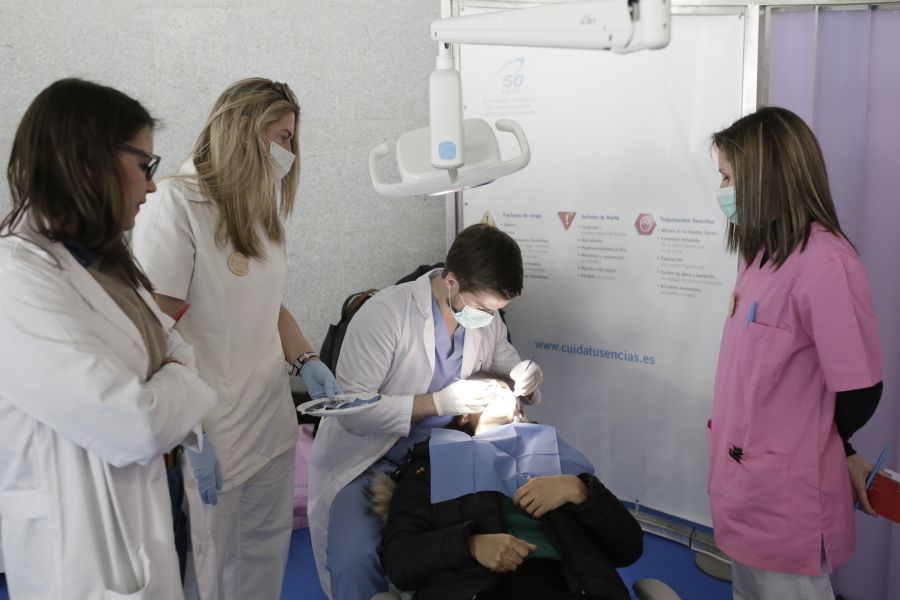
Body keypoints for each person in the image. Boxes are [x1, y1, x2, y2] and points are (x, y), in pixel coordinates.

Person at [0, 78, 217, 599]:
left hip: (155, 510)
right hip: (84, 550)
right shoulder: (15, 277)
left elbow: (182, 358)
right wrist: (178, 389)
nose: (151, 186)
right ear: (89, 158)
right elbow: (131, 424)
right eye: (145, 165)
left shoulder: (106, 263)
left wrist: (171, 386)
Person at [132, 77, 339, 600]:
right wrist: (187, 433)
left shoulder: (259, 209)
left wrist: (306, 359)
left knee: (262, 569)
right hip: (211, 432)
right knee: (208, 575)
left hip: (269, 421)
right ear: (244, 126)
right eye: (283, 136)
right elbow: (155, 331)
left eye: (292, 140)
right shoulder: (177, 203)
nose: (288, 151)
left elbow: (269, 304)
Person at [309, 223, 546, 599]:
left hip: (444, 458)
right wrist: (438, 403)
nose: (489, 318)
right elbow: (352, 411)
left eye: (498, 310)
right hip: (371, 459)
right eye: (485, 308)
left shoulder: (486, 318)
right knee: (354, 560)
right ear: (451, 282)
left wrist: (525, 379)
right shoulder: (385, 315)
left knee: (469, 553)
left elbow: (508, 364)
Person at [708, 106, 884, 599]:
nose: (721, 190)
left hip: (786, 497)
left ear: (766, 179)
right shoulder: (761, 254)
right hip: (745, 485)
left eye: (727, 177)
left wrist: (830, 446)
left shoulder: (826, 263)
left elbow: (861, 388)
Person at [372, 377, 644, 600]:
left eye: (505, 390)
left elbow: (629, 547)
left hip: (571, 585)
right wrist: (470, 545)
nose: (500, 392)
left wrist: (581, 491)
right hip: (472, 588)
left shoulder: (558, 459)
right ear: (464, 415)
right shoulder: (429, 468)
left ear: (519, 411)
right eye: (486, 390)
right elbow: (400, 561)